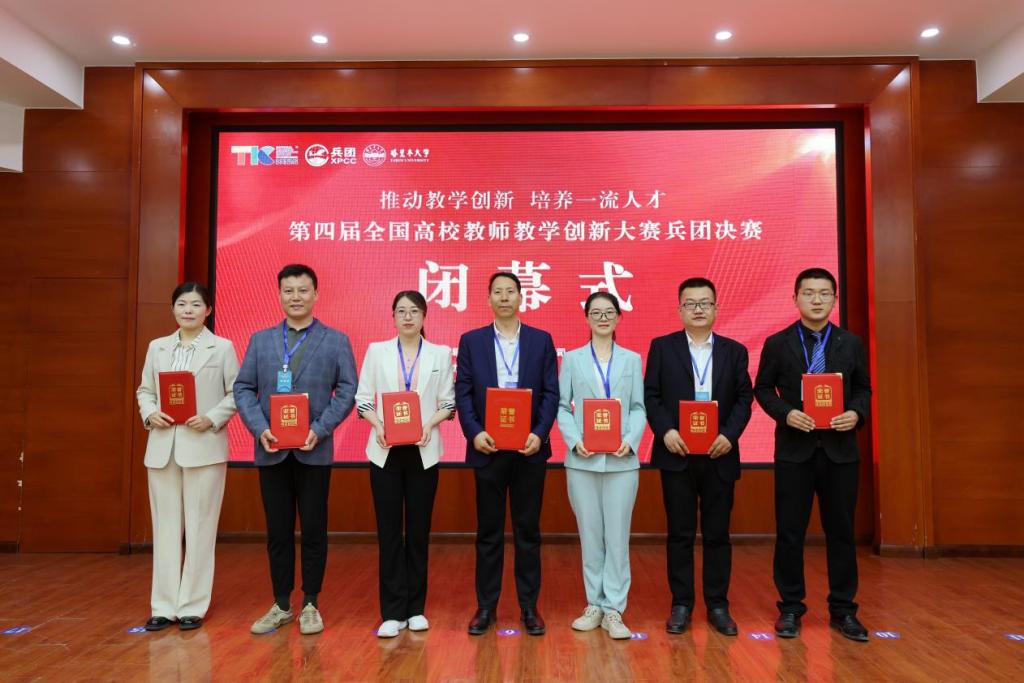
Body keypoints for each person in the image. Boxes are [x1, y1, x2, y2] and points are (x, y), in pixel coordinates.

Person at [234, 264, 358, 636]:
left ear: (316, 294)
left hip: (313, 449)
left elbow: (348, 390)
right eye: (288, 291)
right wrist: (260, 429)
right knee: (278, 531)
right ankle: (281, 604)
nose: (296, 297)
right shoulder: (260, 340)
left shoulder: (336, 340)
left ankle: (311, 604)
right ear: (279, 295)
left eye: (303, 290)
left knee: (314, 530)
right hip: (271, 449)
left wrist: (320, 429)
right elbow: (243, 388)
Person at [753, 267, 872, 642]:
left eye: (824, 293)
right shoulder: (778, 343)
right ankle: (790, 608)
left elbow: (864, 389)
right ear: (795, 298)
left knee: (841, 533)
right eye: (808, 293)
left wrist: (856, 414)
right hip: (795, 451)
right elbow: (762, 389)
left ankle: (843, 609)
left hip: (840, 451)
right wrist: (786, 413)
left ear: (834, 299)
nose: (816, 300)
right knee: (790, 533)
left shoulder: (851, 343)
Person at [644, 277, 753, 636]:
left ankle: (718, 605)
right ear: (680, 310)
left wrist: (729, 436)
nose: (698, 309)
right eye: (690, 304)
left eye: (705, 303)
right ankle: (681, 604)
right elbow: (651, 395)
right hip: (677, 452)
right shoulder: (662, 347)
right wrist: (666, 431)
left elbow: (744, 399)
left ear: (716, 308)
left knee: (717, 534)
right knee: (680, 533)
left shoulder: (734, 351)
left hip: (719, 453)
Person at [455, 272, 559, 636]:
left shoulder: (541, 340)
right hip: (489, 448)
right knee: (489, 532)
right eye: (497, 292)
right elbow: (463, 392)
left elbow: (551, 393)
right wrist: (475, 432)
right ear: (488, 299)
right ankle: (486, 607)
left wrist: (539, 433)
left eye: (510, 291)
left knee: (528, 531)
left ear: (520, 297)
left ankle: (529, 607)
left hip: (529, 449)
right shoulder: (472, 341)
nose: (503, 297)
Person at [136, 282, 239, 632]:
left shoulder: (222, 347)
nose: (188, 310)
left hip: (204, 446)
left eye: (196, 304)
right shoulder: (157, 347)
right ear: (173, 309)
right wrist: (150, 413)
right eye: (182, 304)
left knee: (200, 527)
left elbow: (235, 393)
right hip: (162, 447)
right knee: (165, 528)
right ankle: (163, 605)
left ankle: (192, 605)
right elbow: (145, 390)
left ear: (208, 310)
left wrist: (211, 417)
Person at [354, 291, 455, 638]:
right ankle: (392, 611)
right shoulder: (377, 351)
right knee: (389, 532)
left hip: (423, 452)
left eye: (414, 311)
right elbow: (363, 400)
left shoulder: (440, 353)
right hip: (385, 452)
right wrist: (379, 426)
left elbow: (448, 403)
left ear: (424, 316)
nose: (408, 317)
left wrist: (429, 425)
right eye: (401, 311)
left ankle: (415, 609)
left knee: (418, 531)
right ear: (393, 317)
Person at [556, 292, 646, 640]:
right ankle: (594, 604)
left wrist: (631, 440)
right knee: (591, 535)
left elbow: (638, 407)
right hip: (583, 461)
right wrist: (574, 439)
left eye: (609, 312)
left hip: (622, 461)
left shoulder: (632, 359)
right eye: (596, 312)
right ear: (587, 318)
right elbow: (562, 406)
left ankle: (614, 610)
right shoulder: (573, 359)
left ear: (619, 317)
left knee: (618, 537)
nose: (603, 318)